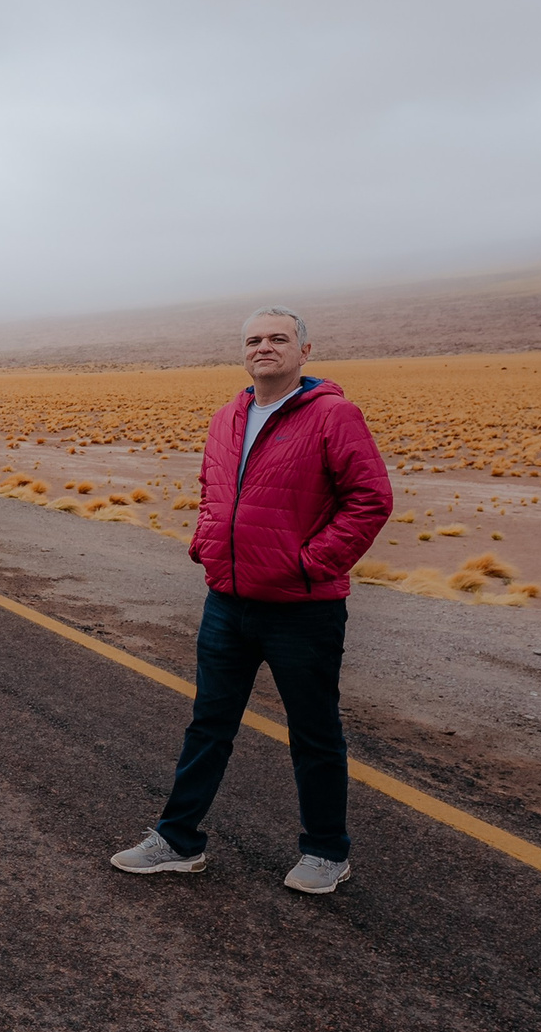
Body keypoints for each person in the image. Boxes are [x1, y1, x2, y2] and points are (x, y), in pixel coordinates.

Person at [113, 307, 392, 894]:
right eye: (254, 340)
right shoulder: (229, 417)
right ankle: (178, 840)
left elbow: (369, 498)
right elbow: (213, 490)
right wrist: (206, 546)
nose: (265, 348)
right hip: (228, 602)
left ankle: (325, 851)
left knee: (313, 732)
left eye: (278, 339)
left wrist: (311, 564)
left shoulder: (332, 415)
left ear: (304, 352)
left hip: (302, 607)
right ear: (243, 352)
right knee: (208, 724)